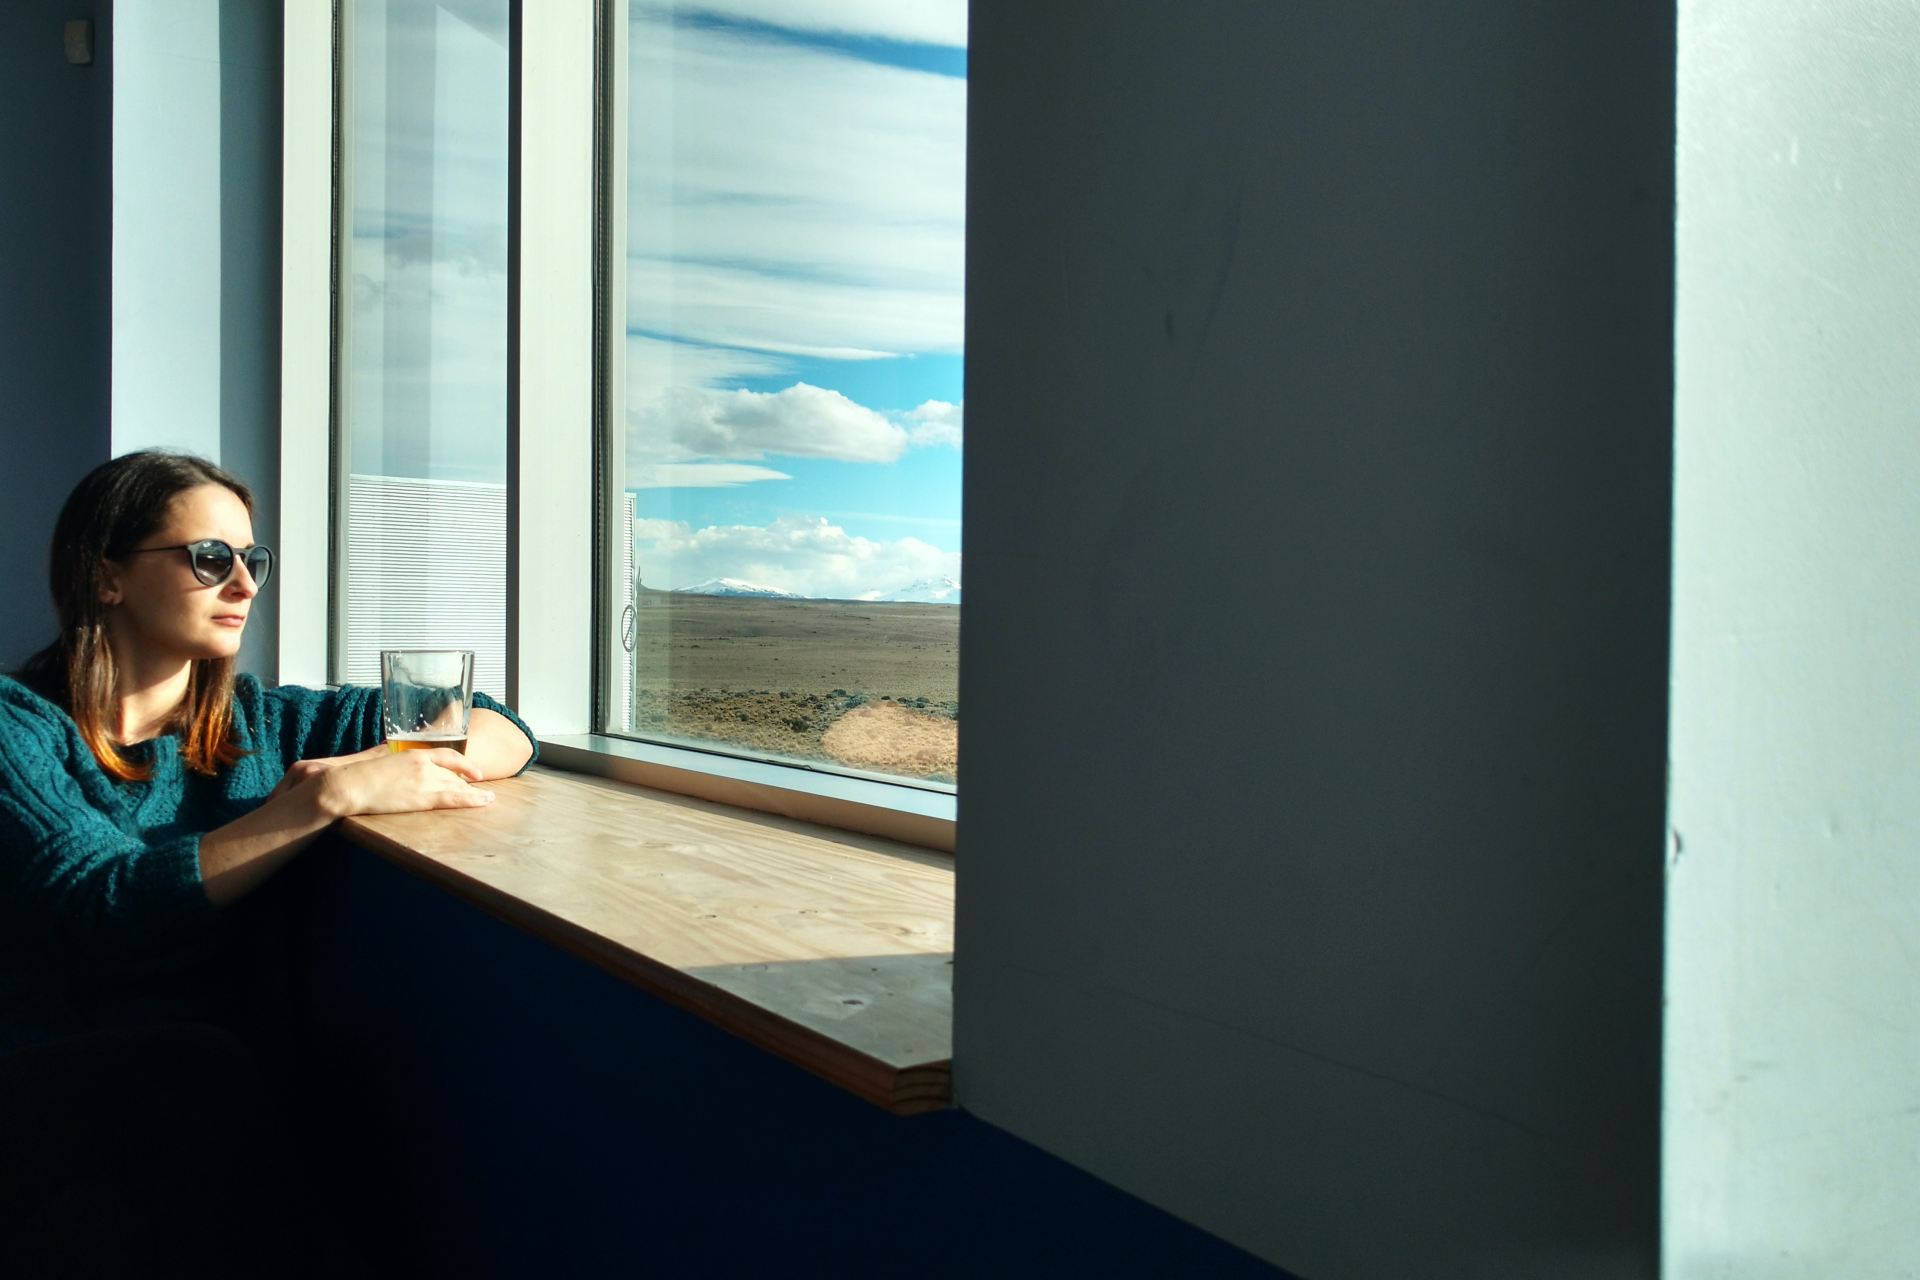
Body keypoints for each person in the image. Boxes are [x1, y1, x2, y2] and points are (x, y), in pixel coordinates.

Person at [0, 450, 536, 1271]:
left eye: (255, 561)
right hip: (58, 1077)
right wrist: (317, 802)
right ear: (106, 576)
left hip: (224, 1091)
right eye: (211, 559)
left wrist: (391, 765)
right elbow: (102, 906)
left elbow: (498, 724)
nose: (245, 586)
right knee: (204, 1073)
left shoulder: (262, 722)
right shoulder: (20, 729)